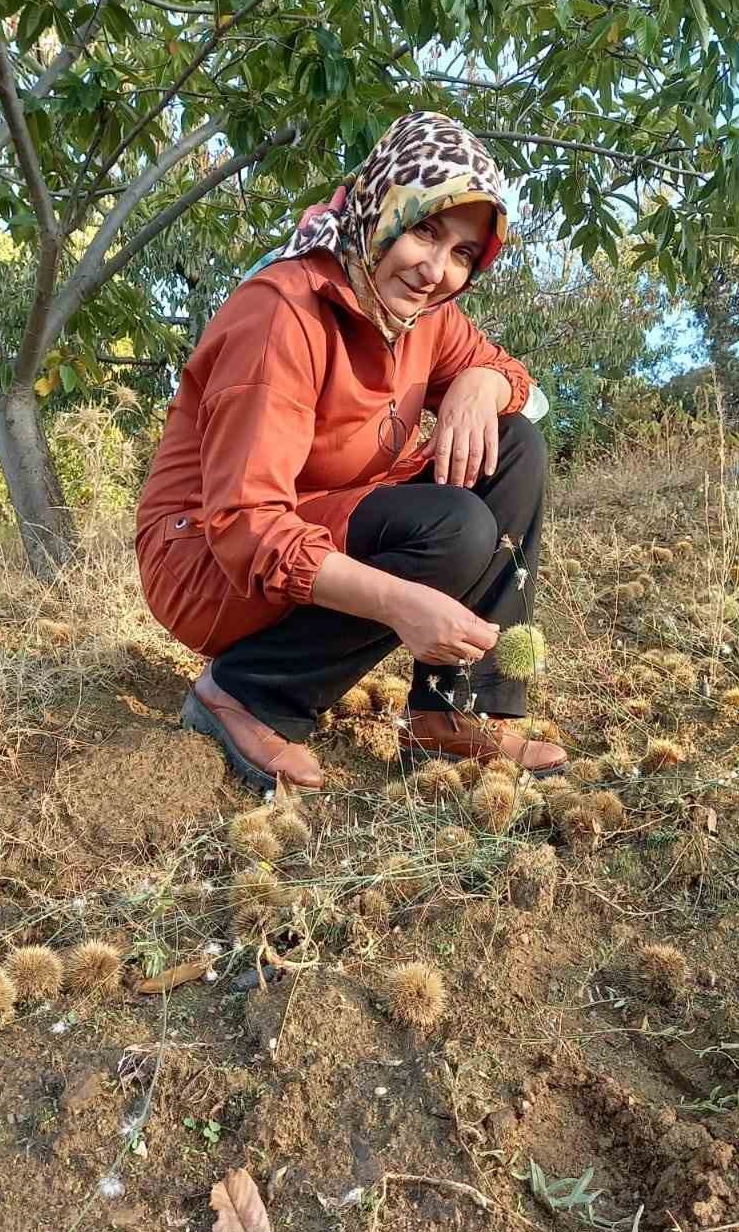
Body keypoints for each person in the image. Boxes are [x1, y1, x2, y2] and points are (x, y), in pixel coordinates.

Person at [136, 110, 568, 792]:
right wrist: (401, 603)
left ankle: (453, 710)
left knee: (514, 444)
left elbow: (521, 386)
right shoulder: (282, 316)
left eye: (462, 253)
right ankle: (245, 694)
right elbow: (247, 526)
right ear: (384, 205)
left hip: (318, 517)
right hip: (209, 560)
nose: (436, 269)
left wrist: (482, 383)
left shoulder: (421, 314)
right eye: (425, 228)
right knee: (455, 533)